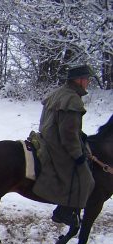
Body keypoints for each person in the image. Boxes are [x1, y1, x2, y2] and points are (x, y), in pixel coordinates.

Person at [33, 64, 95, 226]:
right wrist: (78, 155)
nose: (88, 82)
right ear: (79, 80)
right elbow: (68, 134)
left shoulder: (57, 93)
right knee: (85, 177)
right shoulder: (72, 99)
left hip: (44, 138)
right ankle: (65, 211)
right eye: (87, 79)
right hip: (56, 144)